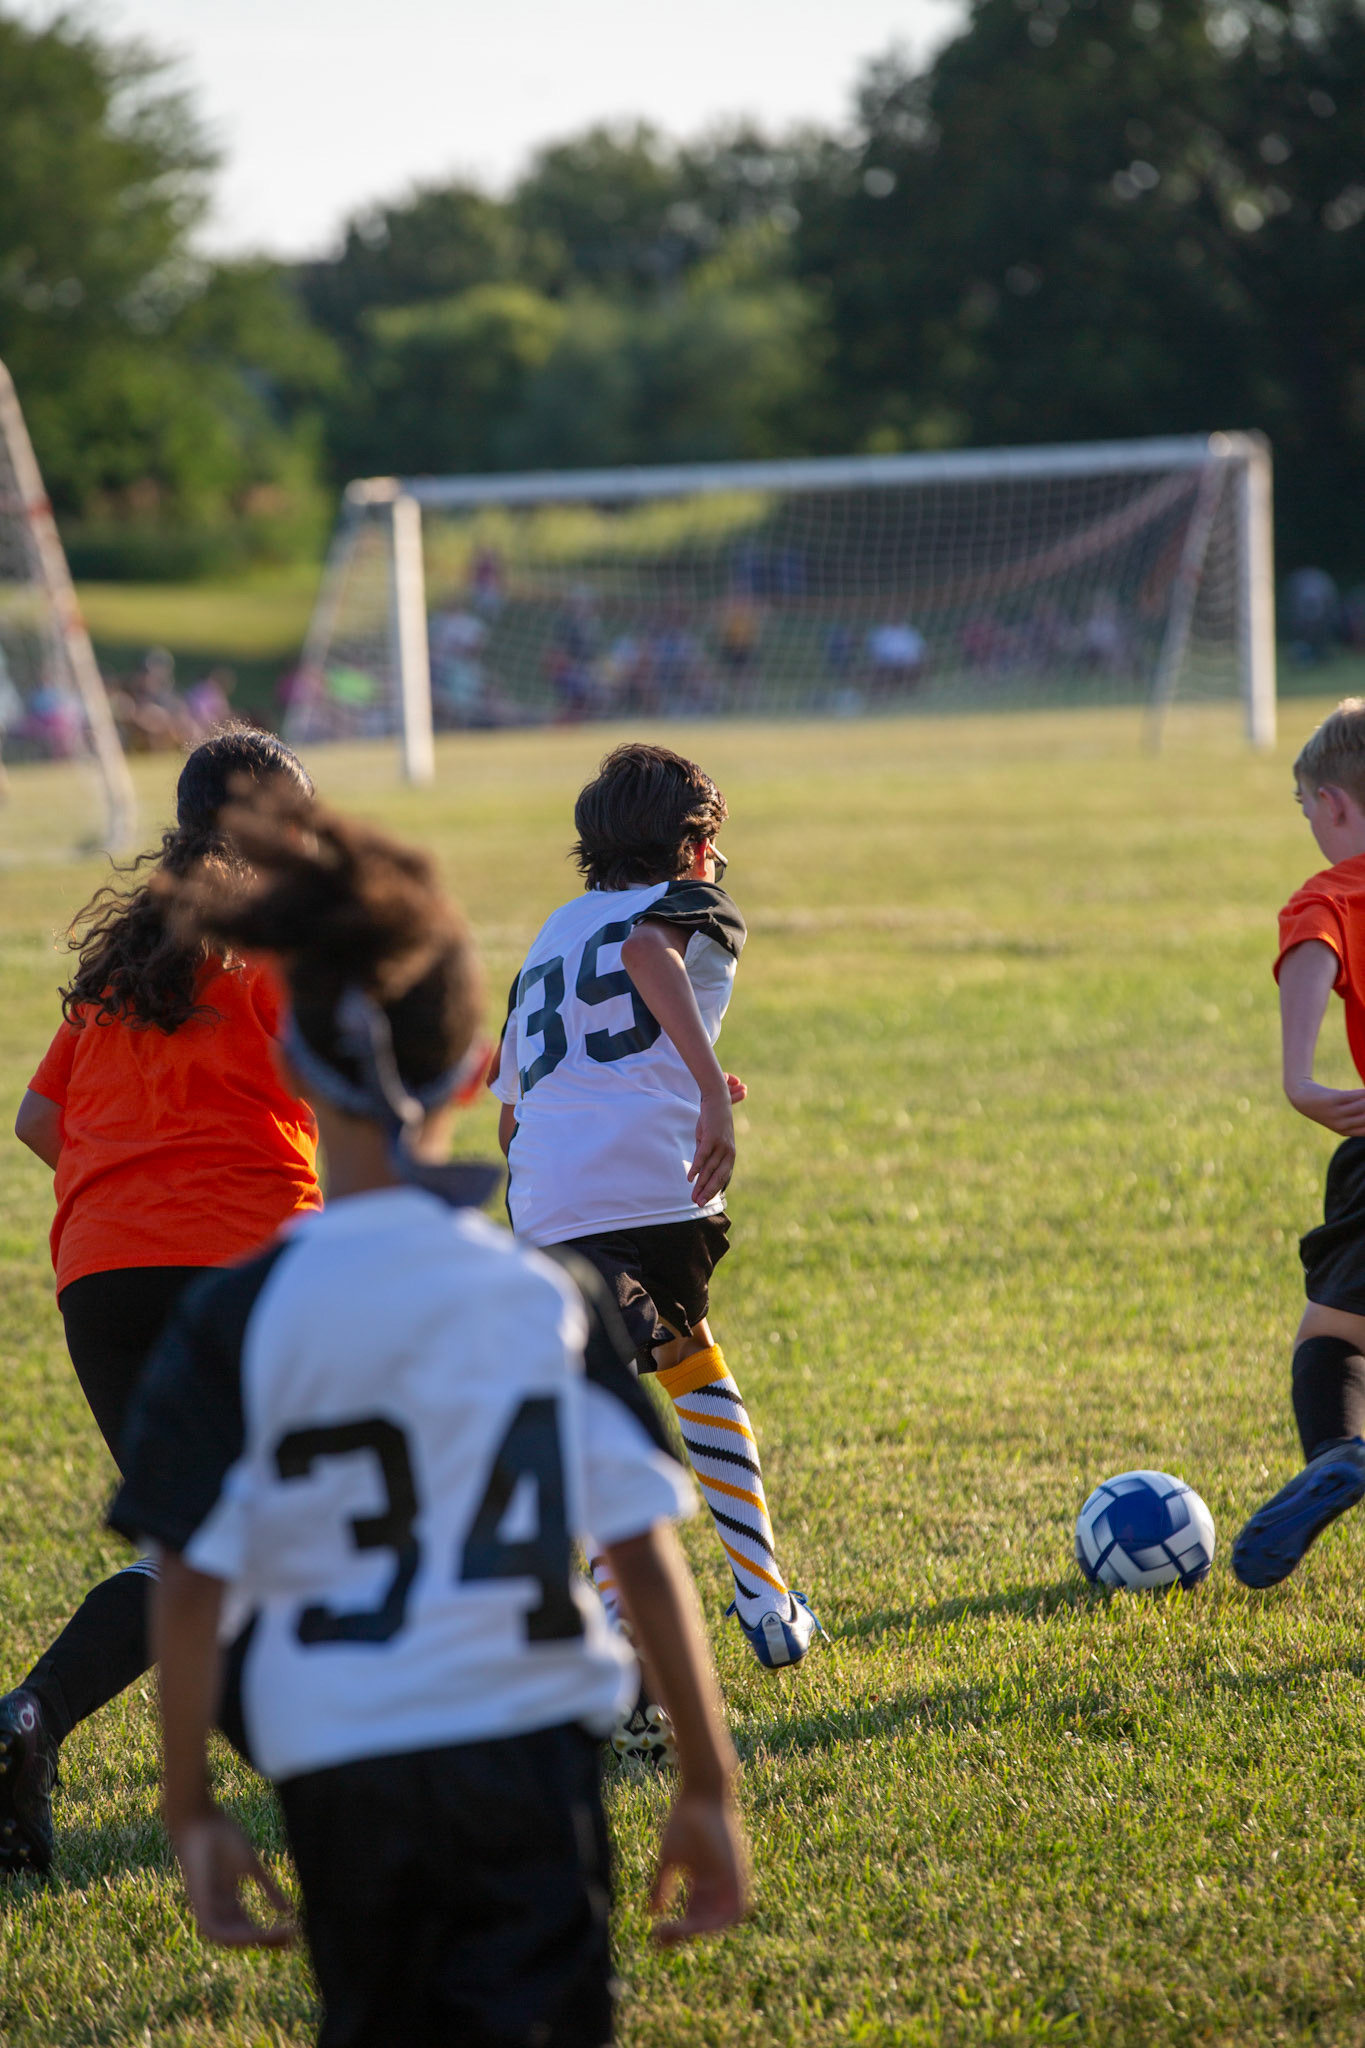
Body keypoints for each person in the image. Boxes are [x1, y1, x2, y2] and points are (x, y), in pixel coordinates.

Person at [108, 793, 749, 2047]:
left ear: (293, 1064)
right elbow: (640, 1550)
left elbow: (187, 1579)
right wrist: (707, 1779)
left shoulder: (239, 1314)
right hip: (530, 1754)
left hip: (342, 1767)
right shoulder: (546, 1294)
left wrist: (189, 1805)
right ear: (474, 1070)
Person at [3, 728, 322, 1875]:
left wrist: (131, 1195)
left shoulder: (124, 958)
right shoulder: (278, 943)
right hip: (241, 1267)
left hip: (102, 1279)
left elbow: (39, 1119)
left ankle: (35, 1728)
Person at [490, 743, 822, 1680]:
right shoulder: (692, 901)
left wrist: (673, 1084)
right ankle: (761, 1599)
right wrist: (707, 1091)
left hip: (548, 1197)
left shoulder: (551, 934)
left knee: (596, 1408)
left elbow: (512, 1110)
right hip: (655, 1186)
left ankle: (617, 1632)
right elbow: (646, 954)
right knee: (691, 1364)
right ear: (692, 844)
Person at [1234, 701, 1365, 1585]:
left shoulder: (1333, 892)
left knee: (1335, 1330)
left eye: (1304, 808)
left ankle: (1338, 1452)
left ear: (1332, 803)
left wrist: (1300, 1080)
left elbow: (1314, 946)